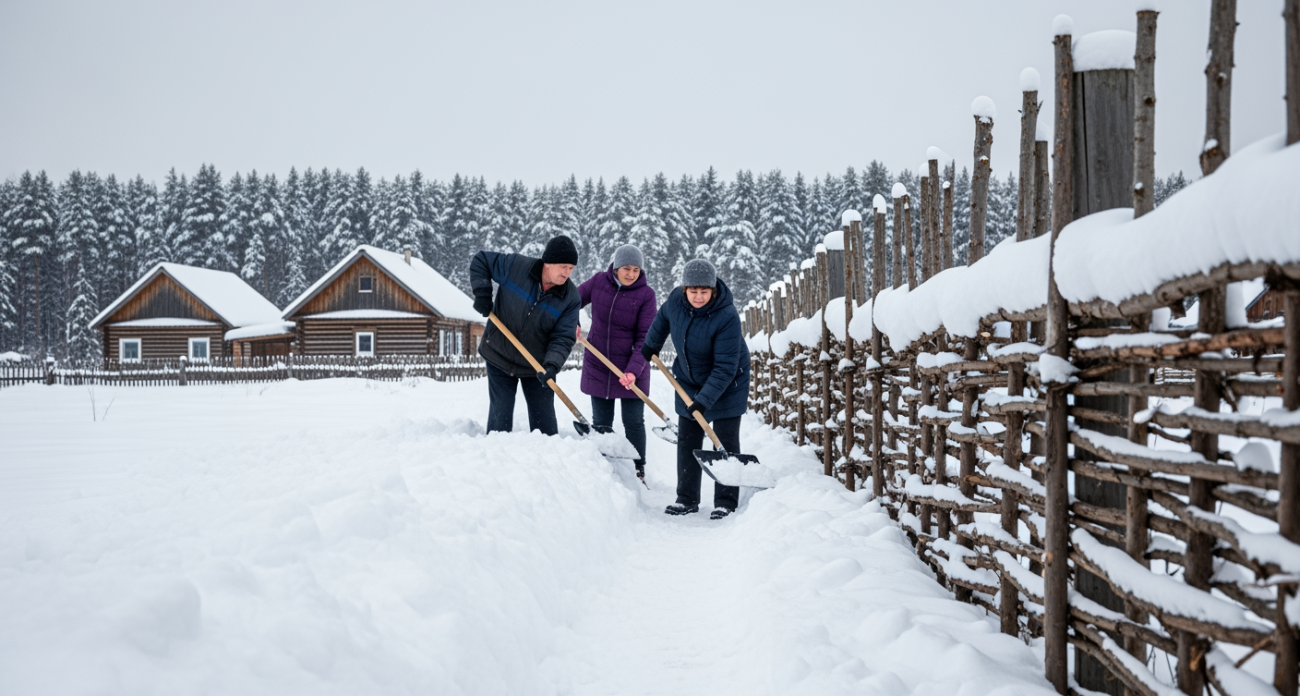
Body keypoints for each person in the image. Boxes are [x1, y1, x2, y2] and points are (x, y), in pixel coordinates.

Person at [640, 259, 750, 519]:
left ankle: (725, 502)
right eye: (693, 291)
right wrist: (652, 343)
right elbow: (663, 319)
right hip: (688, 380)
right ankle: (686, 499)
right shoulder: (675, 302)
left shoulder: (727, 316)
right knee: (688, 439)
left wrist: (704, 400)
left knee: (724, 441)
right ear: (684, 289)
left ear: (713, 290)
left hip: (729, 384)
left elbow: (725, 368)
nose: (698, 297)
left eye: (704, 291)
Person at [469, 235, 581, 436]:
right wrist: (483, 293)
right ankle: (495, 453)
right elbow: (481, 260)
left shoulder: (570, 298)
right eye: (563, 266)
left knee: (545, 428)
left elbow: (563, 337)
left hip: (536, 365)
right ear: (548, 262)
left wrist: (552, 365)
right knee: (500, 421)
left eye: (571, 268)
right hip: (499, 353)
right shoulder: (516, 267)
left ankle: (549, 455)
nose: (567, 273)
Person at [577, 244, 657, 479]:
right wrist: (573, 321)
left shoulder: (646, 295)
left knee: (633, 422)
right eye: (626, 269)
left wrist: (633, 371)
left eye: (636, 270)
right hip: (599, 363)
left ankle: (638, 471)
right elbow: (572, 300)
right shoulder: (598, 282)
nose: (631, 274)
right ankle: (606, 471)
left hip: (633, 366)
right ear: (616, 267)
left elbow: (646, 338)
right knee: (602, 422)